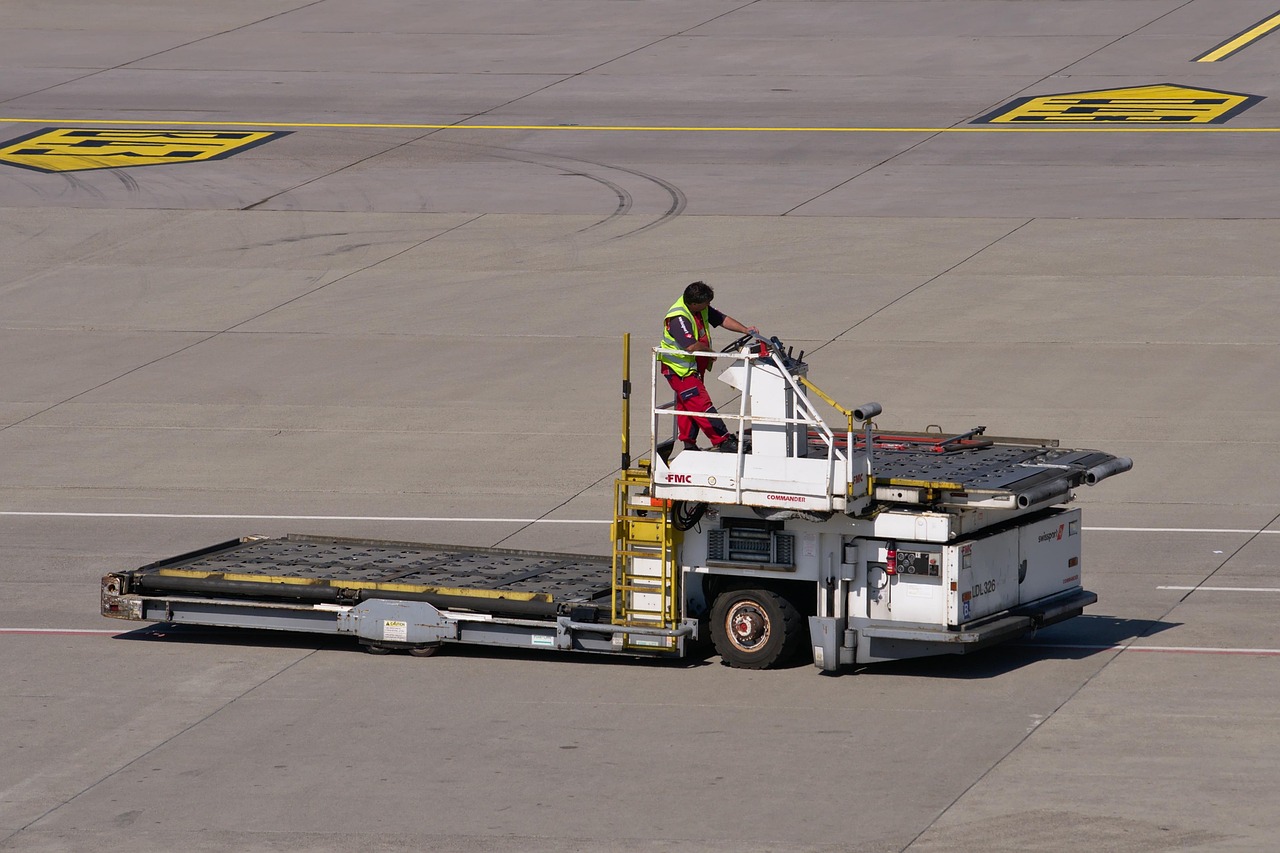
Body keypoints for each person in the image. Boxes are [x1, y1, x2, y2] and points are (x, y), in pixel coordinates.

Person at [658, 281, 757, 453]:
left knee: (688, 406)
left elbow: (722, 319)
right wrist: (711, 352)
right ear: (694, 303)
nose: (709, 306)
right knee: (701, 404)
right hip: (679, 370)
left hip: (692, 368)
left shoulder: (699, 308)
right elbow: (690, 346)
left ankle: (689, 445)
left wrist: (745, 330)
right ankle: (723, 440)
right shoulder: (678, 317)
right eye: (706, 304)